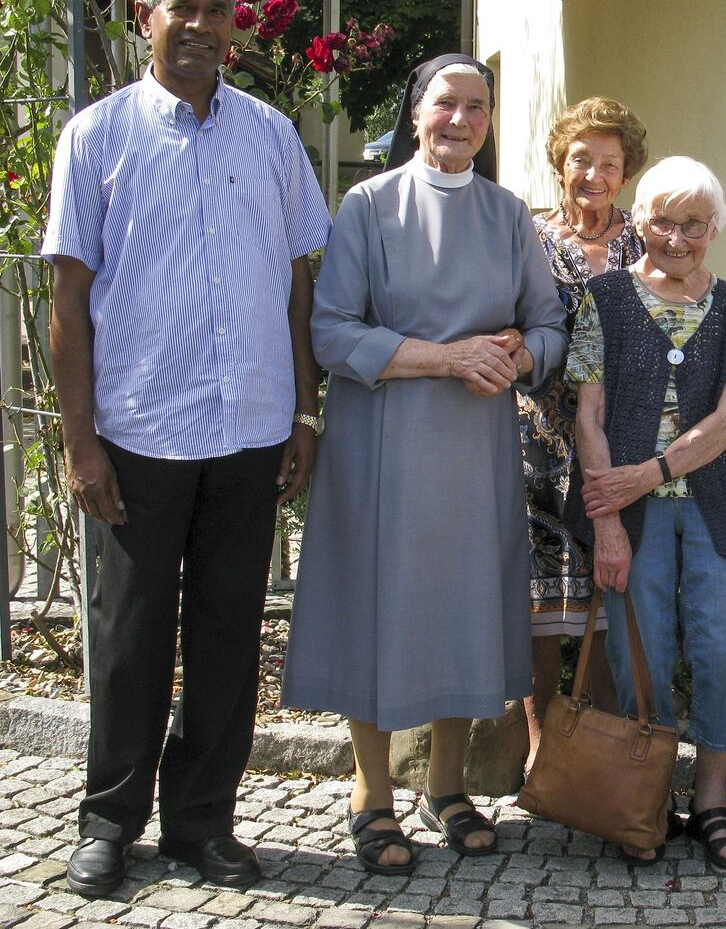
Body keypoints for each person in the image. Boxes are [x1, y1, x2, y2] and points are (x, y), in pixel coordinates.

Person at [43, 0, 330, 896]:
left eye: (218, 9)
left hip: (249, 432)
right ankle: (109, 820)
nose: (202, 25)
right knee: (130, 639)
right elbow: (67, 304)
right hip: (140, 435)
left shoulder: (273, 136)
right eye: (184, 8)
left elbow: (298, 284)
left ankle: (203, 820)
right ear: (144, 16)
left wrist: (302, 410)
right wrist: (81, 443)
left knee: (226, 635)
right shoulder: (96, 136)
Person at [281, 55, 566, 875]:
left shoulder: (509, 214)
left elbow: (549, 329)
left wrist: (517, 353)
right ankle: (371, 792)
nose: (461, 119)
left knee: (460, 609)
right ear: (417, 113)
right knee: (378, 608)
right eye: (447, 103)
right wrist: (447, 358)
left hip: (475, 450)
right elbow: (331, 332)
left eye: (477, 106)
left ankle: (446, 785)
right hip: (383, 446)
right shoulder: (369, 205)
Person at [564, 157, 726, 871]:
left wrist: (645, 473)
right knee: (640, 654)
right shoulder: (605, 299)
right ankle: (644, 797)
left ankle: (711, 798)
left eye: (692, 223)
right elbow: (587, 416)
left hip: (722, 505)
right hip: (630, 514)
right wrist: (609, 516)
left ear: (714, 228)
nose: (676, 237)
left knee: (722, 649)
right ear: (640, 222)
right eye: (661, 220)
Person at [519, 97, 648, 768]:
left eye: (609, 162)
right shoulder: (529, 237)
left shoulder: (648, 238)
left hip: (624, 441)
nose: (593, 174)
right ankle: (544, 752)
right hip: (539, 439)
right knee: (541, 598)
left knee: (611, 593)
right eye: (580, 160)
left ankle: (602, 750)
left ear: (626, 172)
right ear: (558, 164)